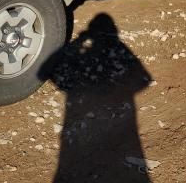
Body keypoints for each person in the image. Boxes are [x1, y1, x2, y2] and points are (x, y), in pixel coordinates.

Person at [40, 13, 154, 182]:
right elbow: (144, 80)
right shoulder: (120, 48)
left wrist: (78, 42)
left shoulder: (105, 49)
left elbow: (43, 72)